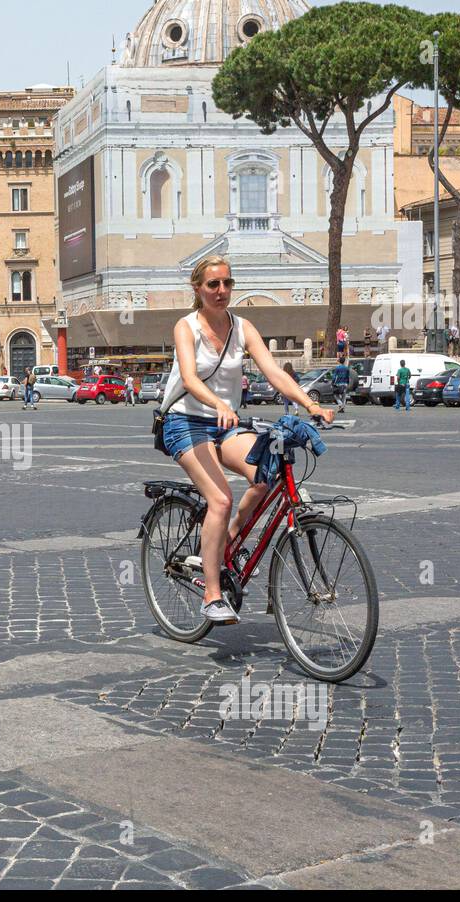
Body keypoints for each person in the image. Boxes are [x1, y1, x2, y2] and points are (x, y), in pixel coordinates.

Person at [158, 256, 333, 625]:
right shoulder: (185, 326)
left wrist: (311, 404)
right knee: (220, 499)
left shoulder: (242, 327)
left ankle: (228, 541)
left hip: (226, 423)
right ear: (198, 289)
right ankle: (211, 594)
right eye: (213, 285)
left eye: (227, 284)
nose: (222, 291)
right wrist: (218, 401)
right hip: (184, 422)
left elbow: (274, 373)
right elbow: (189, 378)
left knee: (267, 473)